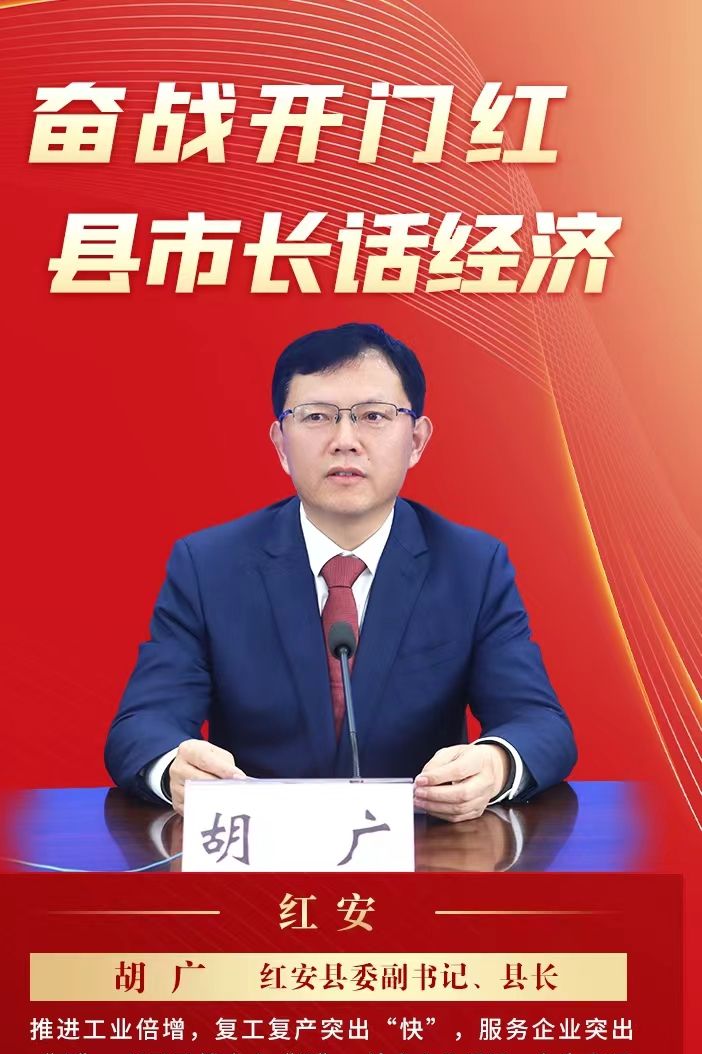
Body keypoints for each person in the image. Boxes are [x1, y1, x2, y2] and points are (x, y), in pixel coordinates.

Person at [105, 323, 576, 821]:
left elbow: (539, 723)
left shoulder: (471, 566)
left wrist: (496, 764)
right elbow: (142, 725)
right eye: (316, 417)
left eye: (373, 416)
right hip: (259, 846)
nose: (345, 441)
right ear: (281, 443)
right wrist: (173, 768)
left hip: (421, 844)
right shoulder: (209, 566)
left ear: (416, 440)